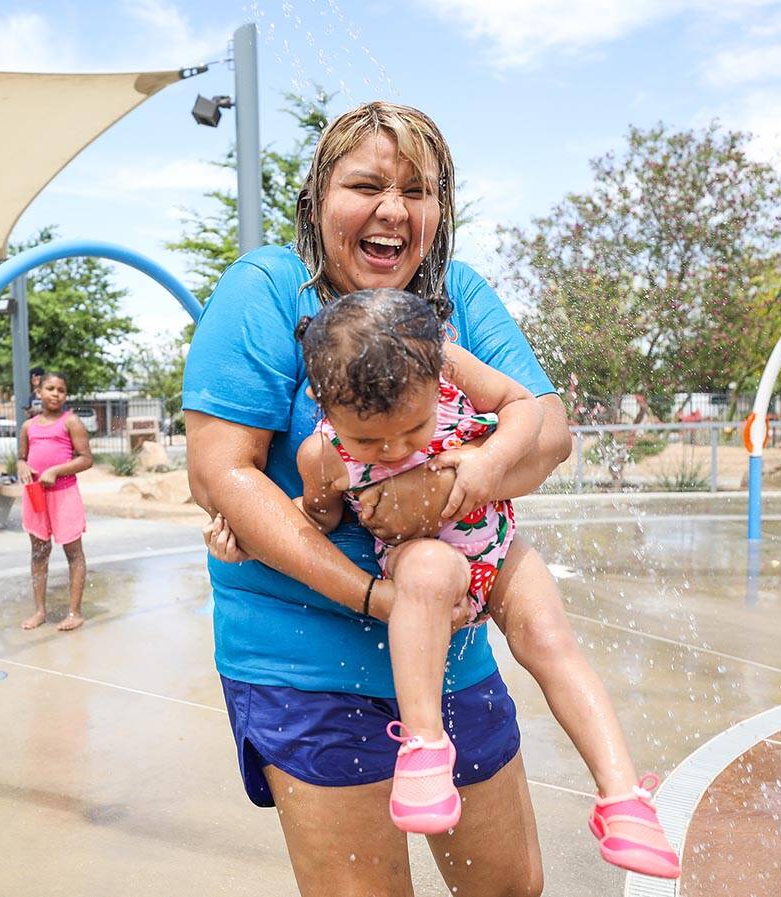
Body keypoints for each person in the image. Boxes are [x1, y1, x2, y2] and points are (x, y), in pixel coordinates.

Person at [184, 100, 576, 897]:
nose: (394, 209)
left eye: (419, 191)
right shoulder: (265, 291)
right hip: (303, 663)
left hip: (452, 656)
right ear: (319, 198)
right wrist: (373, 594)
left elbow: (550, 432)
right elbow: (222, 473)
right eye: (367, 184)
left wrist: (449, 483)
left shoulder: (457, 296)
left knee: (510, 887)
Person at [208, 288, 679, 878]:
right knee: (428, 570)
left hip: (500, 549)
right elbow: (316, 520)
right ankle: (425, 748)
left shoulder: (448, 362)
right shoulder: (322, 454)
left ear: (436, 376)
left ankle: (622, 798)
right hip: (422, 559)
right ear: (324, 404)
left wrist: (489, 462)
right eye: (369, 443)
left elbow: (524, 406)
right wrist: (246, 540)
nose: (396, 450)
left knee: (549, 637)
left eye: (413, 429)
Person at [17, 371, 92, 632]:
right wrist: (22, 466)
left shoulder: (71, 422)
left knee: (73, 553)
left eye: (61, 390)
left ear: (65, 394)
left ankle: (75, 611)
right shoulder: (29, 426)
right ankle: (39, 610)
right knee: (39, 553)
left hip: (64, 494)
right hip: (36, 495)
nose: (55, 394)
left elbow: (86, 458)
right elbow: (21, 457)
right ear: (39, 392)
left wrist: (57, 471)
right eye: (50, 388)